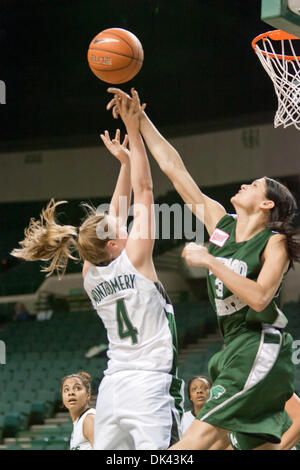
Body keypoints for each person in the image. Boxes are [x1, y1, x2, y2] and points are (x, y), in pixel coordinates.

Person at [106, 88, 300, 450]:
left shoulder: (273, 242)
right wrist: (140, 119)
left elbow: (259, 298)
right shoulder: (220, 223)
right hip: (232, 349)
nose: (244, 184)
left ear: (266, 203)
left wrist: (210, 261)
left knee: (194, 442)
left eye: (253, 185)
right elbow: (174, 167)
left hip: (260, 345)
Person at [11, 90, 184, 450]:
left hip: (113, 389)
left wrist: (122, 164)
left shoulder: (90, 271)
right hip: (149, 385)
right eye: (119, 229)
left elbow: (117, 214)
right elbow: (146, 189)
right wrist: (134, 132)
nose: (124, 226)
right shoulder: (136, 258)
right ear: (112, 243)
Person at [61, 371, 95, 450]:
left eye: (77, 388)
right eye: (66, 390)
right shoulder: (78, 423)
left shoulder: (89, 419)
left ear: (88, 395)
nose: (71, 393)